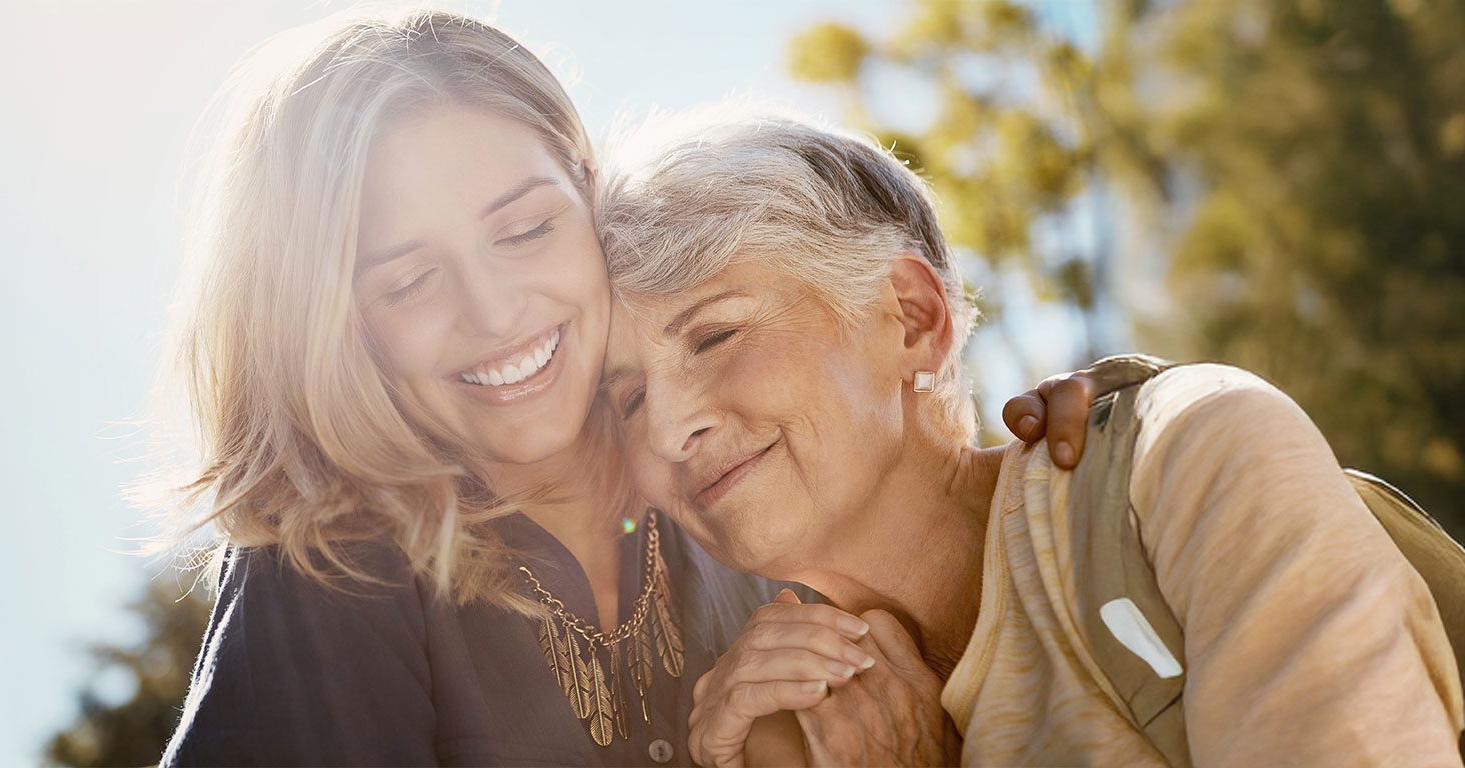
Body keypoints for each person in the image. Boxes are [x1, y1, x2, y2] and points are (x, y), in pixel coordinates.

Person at [150, 12, 1107, 766]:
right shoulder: (328, 576)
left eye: (524, 229)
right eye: (407, 281)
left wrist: (1100, 460)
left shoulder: (756, 507)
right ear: (337, 328)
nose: (494, 313)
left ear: (587, 196)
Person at [595, 104, 1465, 766]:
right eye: (627, 399)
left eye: (715, 336)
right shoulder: (772, 725)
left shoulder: (1189, 458)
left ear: (912, 316)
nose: (670, 428)